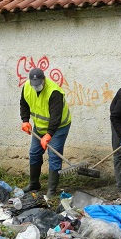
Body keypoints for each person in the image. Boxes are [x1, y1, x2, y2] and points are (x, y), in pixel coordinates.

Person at [20, 67, 72, 197]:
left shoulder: (54, 92)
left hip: (59, 127)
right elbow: (24, 104)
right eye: (34, 84)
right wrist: (25, 120)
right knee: (34, 152)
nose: (36, 86)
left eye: (39, 84)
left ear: (44, 79)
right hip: (39, 126)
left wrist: (49, 135)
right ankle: (34, 183)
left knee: (53, 156)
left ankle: (51, 190)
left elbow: (56, 117)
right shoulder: (27, 86)